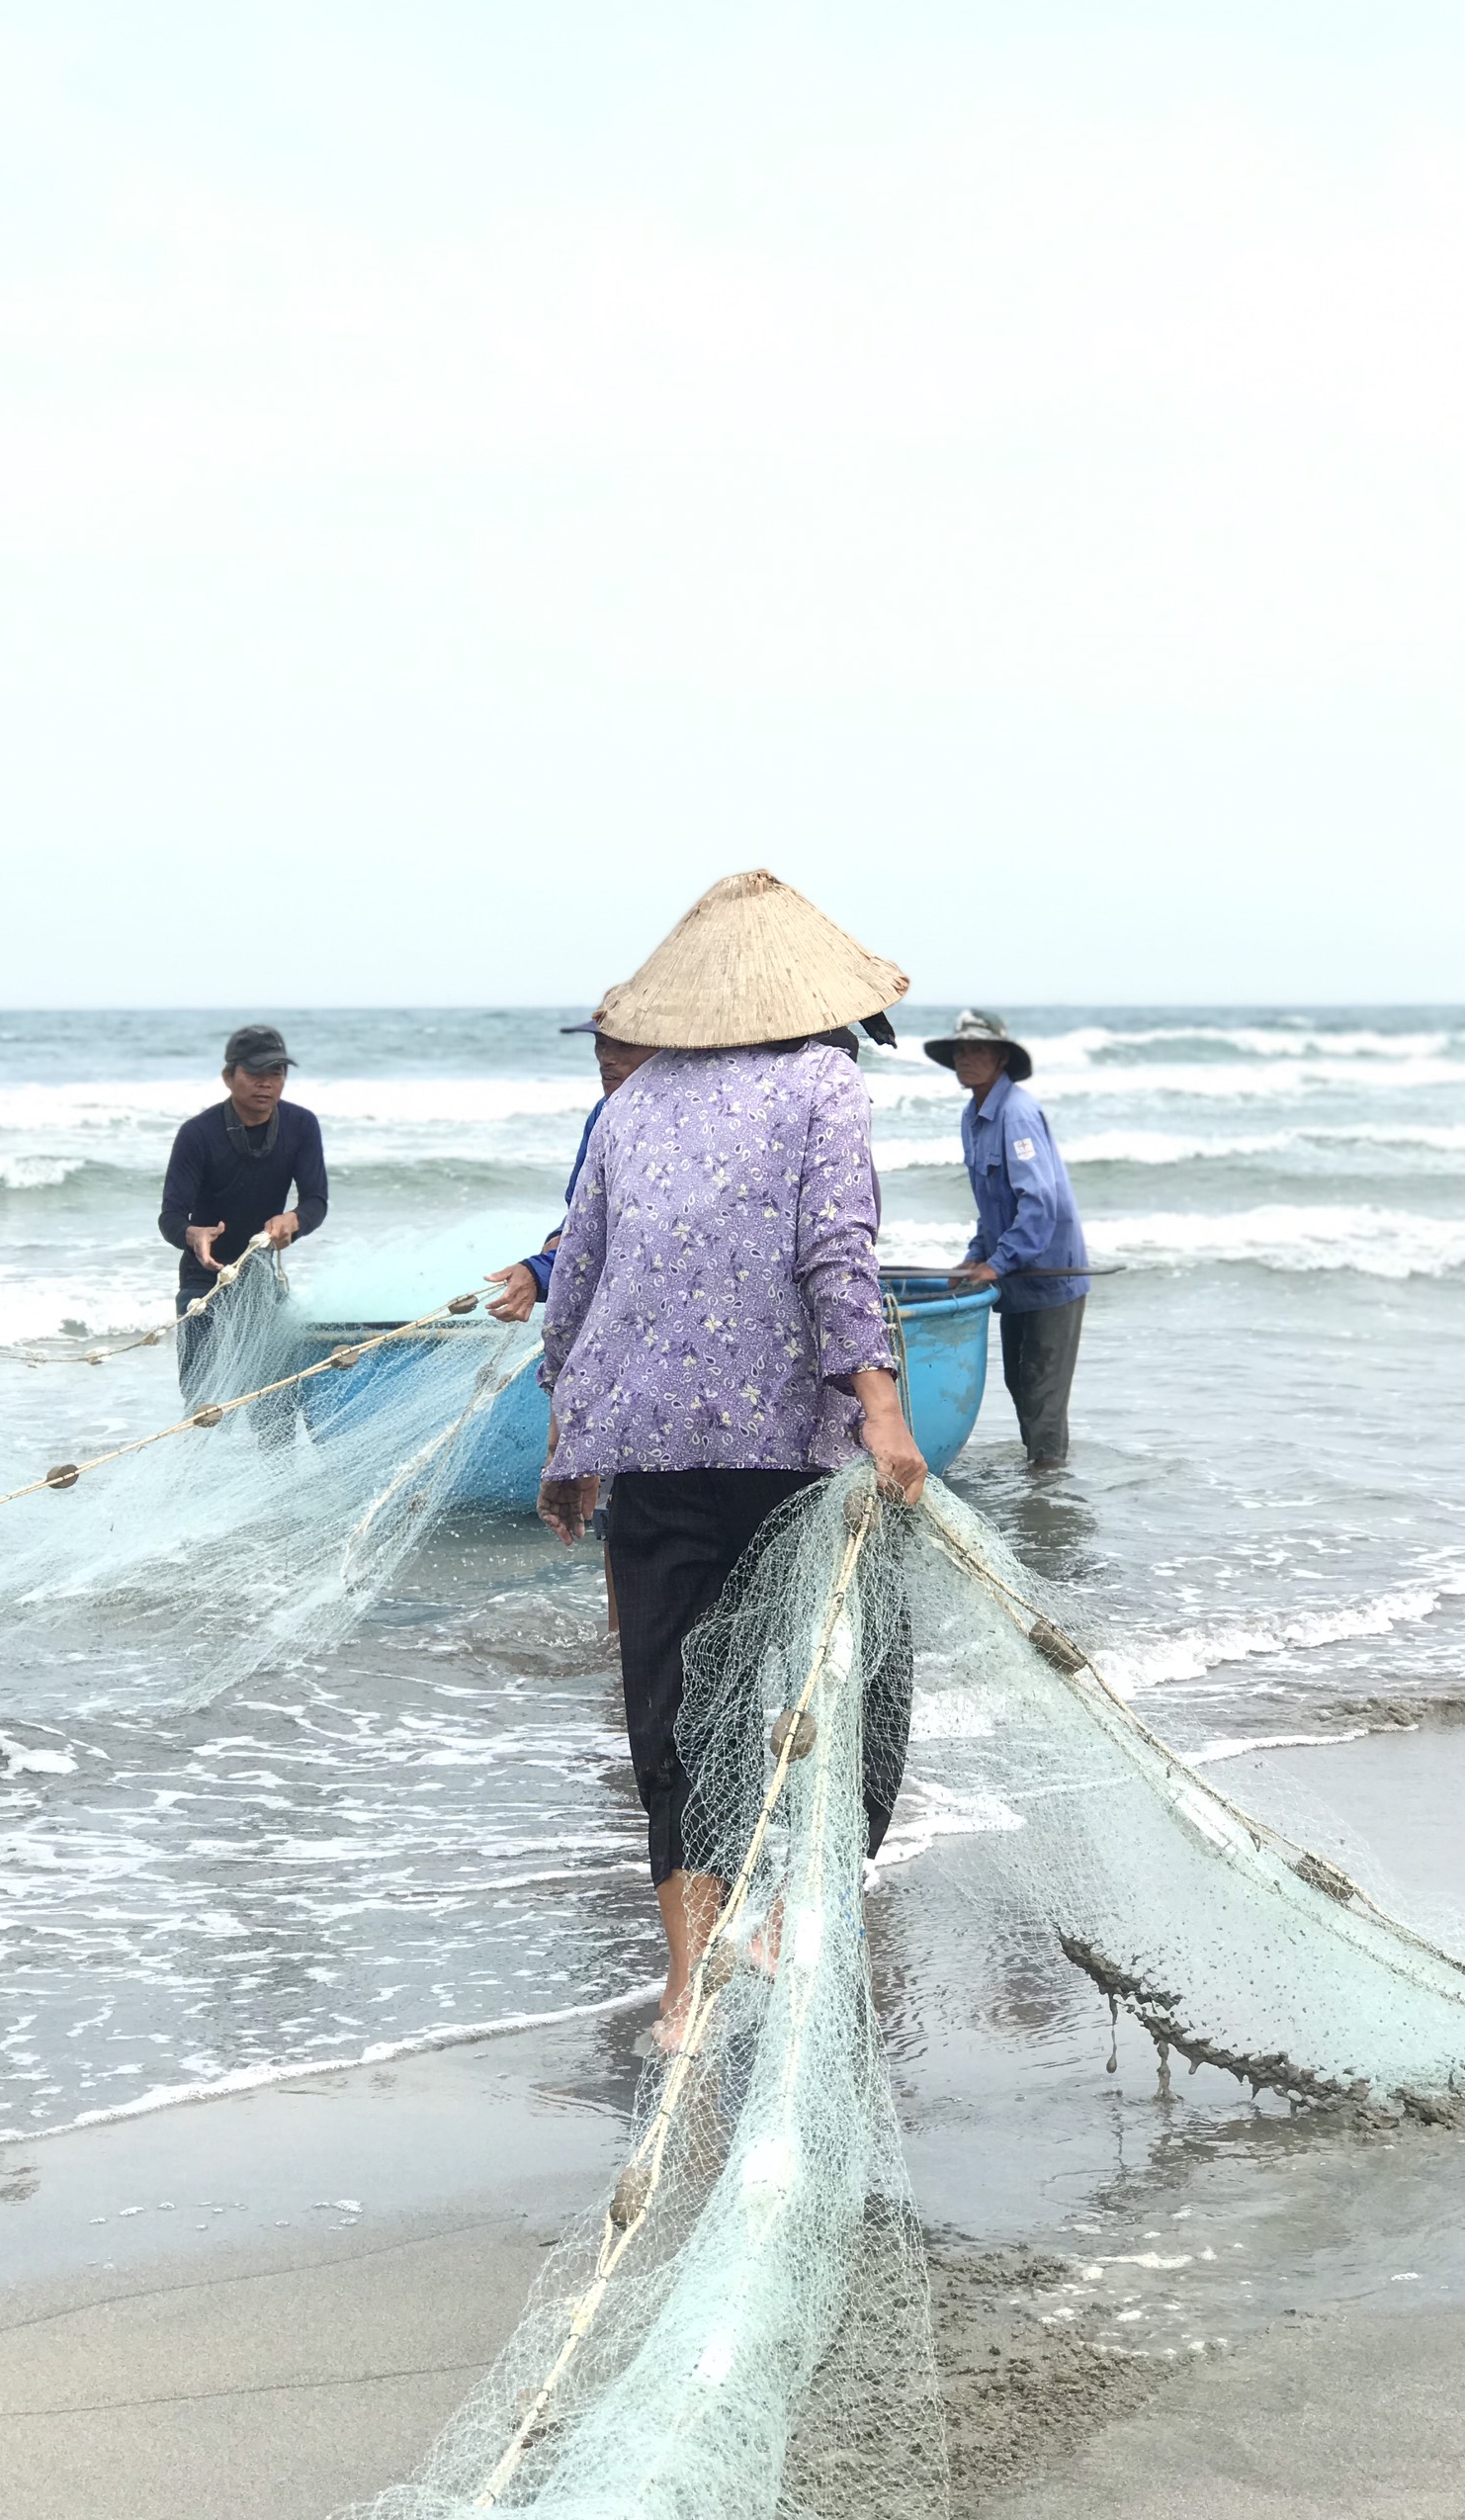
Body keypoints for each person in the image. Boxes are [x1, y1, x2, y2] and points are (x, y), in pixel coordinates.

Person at [536, 869, 927, 2049]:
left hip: (648, 1446)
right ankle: (794, 1917)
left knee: (671, 1700)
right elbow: (835, 1253)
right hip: (789, 1451)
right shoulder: (826, 1082)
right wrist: (883, 1409)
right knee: (852, 1683)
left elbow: (583, 1274)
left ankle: (685, 1984)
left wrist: (571, 1441)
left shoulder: (631, 1100)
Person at [926, 1008, 1087, 1469]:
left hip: (1051, 1277)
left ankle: (1049, 1499)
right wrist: (976, 1256)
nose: (966, 1059)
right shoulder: (973, 1116)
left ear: (1000, 1059)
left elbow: (1039, 1201)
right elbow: (991, 1204)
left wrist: (1000, 1261)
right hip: (1015, 1276)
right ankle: (1041, 1477)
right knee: (1020, 1384)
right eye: (960, 1050)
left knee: (1043, 1393)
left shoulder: (1016, 1114)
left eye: (977, 1049)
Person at [157, 1023, 328, 1390]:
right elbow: (170, 1216)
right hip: (204, 1279)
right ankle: (203, 1445)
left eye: (276, 1073)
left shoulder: (301, 1126)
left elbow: (317, 1201)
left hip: (261, 1277)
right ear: (228, 1077)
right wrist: (193, 1234)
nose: (266, 1083)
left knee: (274, 1402)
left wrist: (294, 1219)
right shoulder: (198, 1134)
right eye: (254, 1073)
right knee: (204, 1401)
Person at [482, 1013, 654, 1324]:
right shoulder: (605, 1113)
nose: (606, 1059)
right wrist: (558, 1242)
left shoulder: (687, 1122)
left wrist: (540, 1272)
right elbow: (586, 1213)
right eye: (600, 1045)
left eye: (624, 1047)